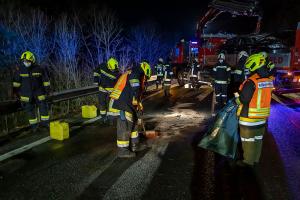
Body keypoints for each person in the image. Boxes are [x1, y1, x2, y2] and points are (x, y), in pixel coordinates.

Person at [236, 53, 274, 166]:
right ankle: (255, 159)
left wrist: (236, 99)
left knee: (248, 141)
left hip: (248, 118)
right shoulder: (269, 80)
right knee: (258, 140)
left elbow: (244, 99)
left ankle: (248, 161)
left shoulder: (251, 82)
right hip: (262, 118)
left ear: (253, 65)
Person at [110, 61, 151, 158]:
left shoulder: (135, 74)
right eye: (145, 78)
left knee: (134, 123)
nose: (145, 80)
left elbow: (137, 97)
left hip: (126, 102)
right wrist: (138, 108)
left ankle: (134, 146)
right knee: (125, 126)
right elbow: (135, 93)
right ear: (145, 70)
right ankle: (122, 151)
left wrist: (139, 109)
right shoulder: (135, 74)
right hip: (120, 103)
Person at [12, 51, 50, 132]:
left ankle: (45, 124)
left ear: (32, 60)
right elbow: (16, 83)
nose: (26, 63)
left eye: (28, 61)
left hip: (39, 94)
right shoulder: (20, 70)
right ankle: (34, 127)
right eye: (24, 61)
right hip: (26, 96)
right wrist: (15, 93)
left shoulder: (39, 69)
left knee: (43, 109)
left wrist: (47, 91)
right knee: (30, 112)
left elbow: (46, 81)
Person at [93, 57, 120, 123]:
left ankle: (110, 118)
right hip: (102, 89)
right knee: (102, 103)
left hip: (111, 91)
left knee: (110, 105)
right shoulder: (102, 66)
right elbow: (96, 72)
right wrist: (96, 80)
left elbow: (119, 82)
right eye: (112, 70)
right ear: (108, 65)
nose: (113, 71)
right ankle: (103, 117)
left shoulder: (117, 72)